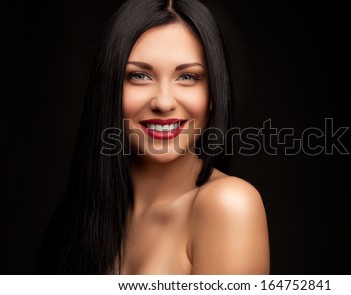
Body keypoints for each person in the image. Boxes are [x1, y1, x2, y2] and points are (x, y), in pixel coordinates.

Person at [36, 0, 269, 275]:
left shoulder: (229, 205)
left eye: (188, 76)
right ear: (108, 89)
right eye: (140, 75)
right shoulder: (81, 215)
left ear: (214, 95)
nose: (163, 102)